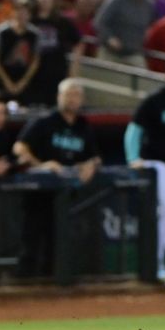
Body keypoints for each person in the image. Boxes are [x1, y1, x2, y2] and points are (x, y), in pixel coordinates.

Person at [13, 79, 101, 278]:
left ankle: (52, 288)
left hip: (66, 194)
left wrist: (91, 164)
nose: (72, 99)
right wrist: (42, 165)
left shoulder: (83, 126)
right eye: (68, 94)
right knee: (31, 241)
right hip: (38, 192)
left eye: (76, 95)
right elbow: (19, 148)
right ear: (58, 97)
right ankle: (24, 287)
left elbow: (94, 156)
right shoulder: (45, 120)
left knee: (58, 242)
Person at [124, 56, 165, 291]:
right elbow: (134, 129)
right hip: (158, 164)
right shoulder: (156, 101)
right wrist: (133, 158)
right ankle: (157, 265)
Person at [94, 0, 155, 68]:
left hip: (133, 53)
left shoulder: (149, 3)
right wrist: (109, 38)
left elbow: (151, 24)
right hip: (111, 52)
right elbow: (100, 22)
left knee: (142, 78)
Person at [0, 0, 41, 106]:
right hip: (2, 81)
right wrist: (7, 82)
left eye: (25, 11)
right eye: (18, 11)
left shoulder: (34, 34)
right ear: (13, 12)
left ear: (30, 14)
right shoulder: (1, 32)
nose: (21, 15)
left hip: (25, 83)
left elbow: (35, 61)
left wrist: (22, 83)